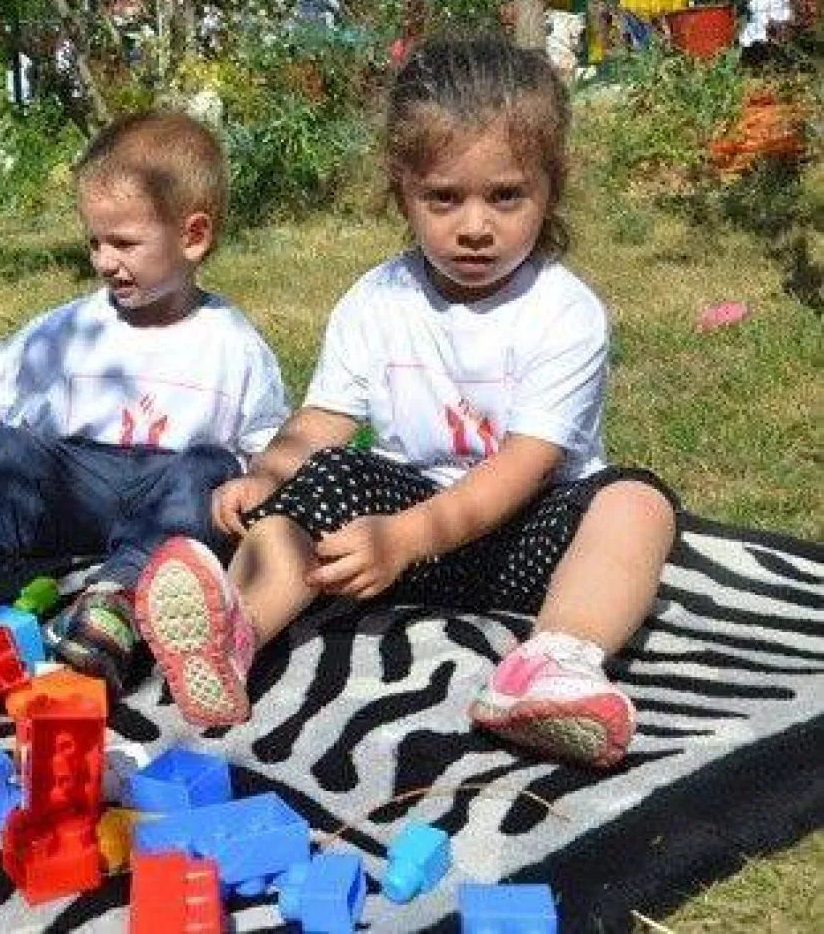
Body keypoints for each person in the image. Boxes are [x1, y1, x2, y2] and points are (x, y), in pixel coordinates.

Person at [136, 37, 678, 767]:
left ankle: (553, 662)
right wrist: (266, 474)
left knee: (637, 503)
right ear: (403, 193)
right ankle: (236, 630)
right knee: (323, 472)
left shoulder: (564, 310)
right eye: (444, 198)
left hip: (528, 537)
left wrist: (407, 537)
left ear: (551, 186)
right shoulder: (377, 300)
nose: (475, 225)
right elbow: (324, 417)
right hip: (394, 533)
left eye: (505, 195)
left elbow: (526, 462)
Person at [0, 110, 291, 696]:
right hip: (74, 486)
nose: (105, 261)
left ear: (193, 236)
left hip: (167, 501)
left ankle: (118, 606)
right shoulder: (75, 327)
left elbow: (271, 449)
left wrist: (254, 486)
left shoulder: (232, 344)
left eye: (125, 243)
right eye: (95, 242)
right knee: (10, 443)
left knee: (210, 470)